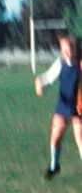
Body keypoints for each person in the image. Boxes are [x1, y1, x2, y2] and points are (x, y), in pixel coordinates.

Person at [34, 35, 82, 180]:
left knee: (80, 136)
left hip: (79, 106)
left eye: (67, 48)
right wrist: (40, 84)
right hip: (63, 105)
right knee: (56, 137)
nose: (65, 51)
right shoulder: (60, 64)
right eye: (62, 48)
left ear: (74, 48)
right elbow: (47, 78)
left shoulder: (80, 65)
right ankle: (55, 165)